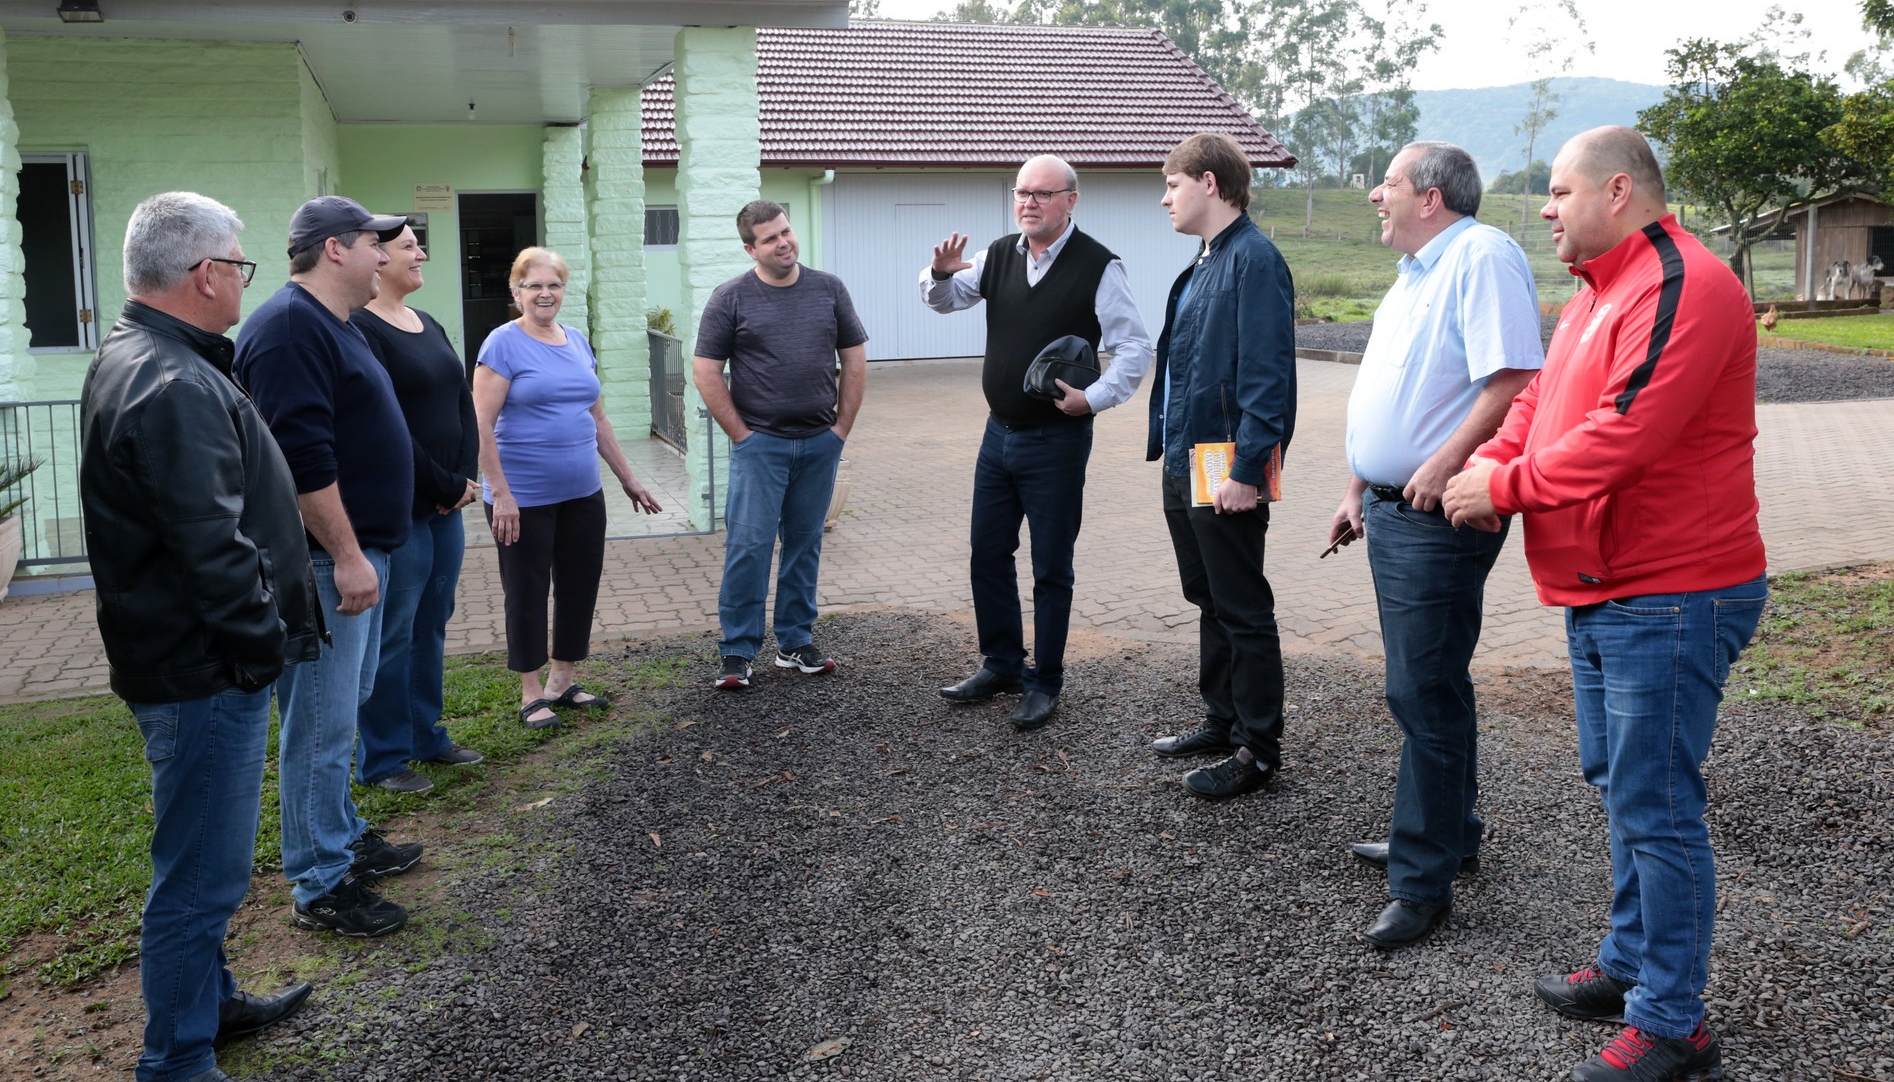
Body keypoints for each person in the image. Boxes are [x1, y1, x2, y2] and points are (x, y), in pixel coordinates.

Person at [1443, 126, 1768, 1082]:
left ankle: (1674, 1023)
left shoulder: (1683, 285)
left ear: (1617, 191)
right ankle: (1632, 967)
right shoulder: (1598, 291)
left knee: (1657, 807)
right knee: (1621, 788)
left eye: (1557, 190)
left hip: (1673, 592)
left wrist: (1499, 491)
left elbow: (1625, 434)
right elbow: (1543, 403)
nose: (1545, 208)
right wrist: (1495, 457)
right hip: (1611, 587)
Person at [80, 192, 317, 1082]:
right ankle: (176, 1060)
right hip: (203, 668)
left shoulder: (139, 355)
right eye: (239, 265)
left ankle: (210, 1008)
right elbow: (212, 546)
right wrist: (262, 648)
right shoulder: (172, 378)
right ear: (206, 274)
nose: (241, 284)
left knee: (202, 859)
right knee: (200, 877)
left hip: (186, 659)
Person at [1323, 142, 1544, 950]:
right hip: (1391, 508)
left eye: (1385, 184)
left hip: (1433, 512)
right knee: (1432, 685)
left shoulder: (1482, 255)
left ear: (1430, 196)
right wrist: (1358, 486)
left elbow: (1515, 374)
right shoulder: (1416, 272)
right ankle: (1450, 835)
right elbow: (1399, 390)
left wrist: (1444, 463)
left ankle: (1422, 883)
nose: (1373, 197)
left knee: (1421, 692)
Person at [235, 195, 423, 938]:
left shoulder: (333, 324)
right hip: (321, 563)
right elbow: (301, 458)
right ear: (334, 250)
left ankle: (340, 837)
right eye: (375, 242)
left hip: (358, 550)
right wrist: (345, 554)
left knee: (343, 709)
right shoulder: (287, 329)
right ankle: (319, 882)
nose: (387, 253)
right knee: (319, 723)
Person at [921, 154, 1153, 730]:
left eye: (1043, 194)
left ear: (1070, 200)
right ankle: (1001, 662)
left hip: (1056, 440)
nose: (1029, 202)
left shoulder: (1099, 265)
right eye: (1023, 192)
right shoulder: (999, 255)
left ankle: (1044, 681)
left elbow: (1134, 348)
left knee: (1052, 566)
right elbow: (945, 301)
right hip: (996, 434)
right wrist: (943, 274)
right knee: (988, 553)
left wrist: (1092, 399)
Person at [1145, 132, 1296, 799]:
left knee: (1242, 605)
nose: (1164, 198)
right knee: (1208, 597)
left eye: (1172, 184)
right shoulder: (1203, 262)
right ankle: (1223, 718)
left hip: (1225, 466)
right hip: (1186, 460)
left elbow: (1267, 379)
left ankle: (1258, 749)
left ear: (1209, 183)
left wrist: (1247, 470)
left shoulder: (1254, 261)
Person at [474, 247, 662, 727]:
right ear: (516, 293)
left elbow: (596, 416)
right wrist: (502, 493)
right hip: (523, 498)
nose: (545, 293)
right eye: (533, 285)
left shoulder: (576, 340)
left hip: (582, 492)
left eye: (553, 285)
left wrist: (629, 478)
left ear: (563, 290)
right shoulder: (502, 344)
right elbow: (479, 422)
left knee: (579, 585)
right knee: (527, 589)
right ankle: (530, 691)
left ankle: (562, 679)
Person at [693, 201, 868, 690]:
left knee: (804, 544)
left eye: (786, 232)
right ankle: (738, 651)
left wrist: (840, 431)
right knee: (749, 546)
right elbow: (706, 372)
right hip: (761, 446)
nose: (783, 242)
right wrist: (742, 437)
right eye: (770, 238)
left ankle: (794, 642)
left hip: (819, 443)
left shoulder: (829, 289)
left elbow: (854, 362)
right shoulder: (730, 298)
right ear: (750, 248)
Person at [351, 218, 484, 793]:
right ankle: (382, 757)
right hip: (403, 507)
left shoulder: (425, 323)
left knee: (433, 622)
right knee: (394, 632)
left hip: (445, 505)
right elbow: (389, 426)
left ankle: (428, 733)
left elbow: (462, 400)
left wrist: (465, 477)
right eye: (409, 246)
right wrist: (440, 483)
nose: (421, 254)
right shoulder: (361, 328)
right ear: (377, 259)